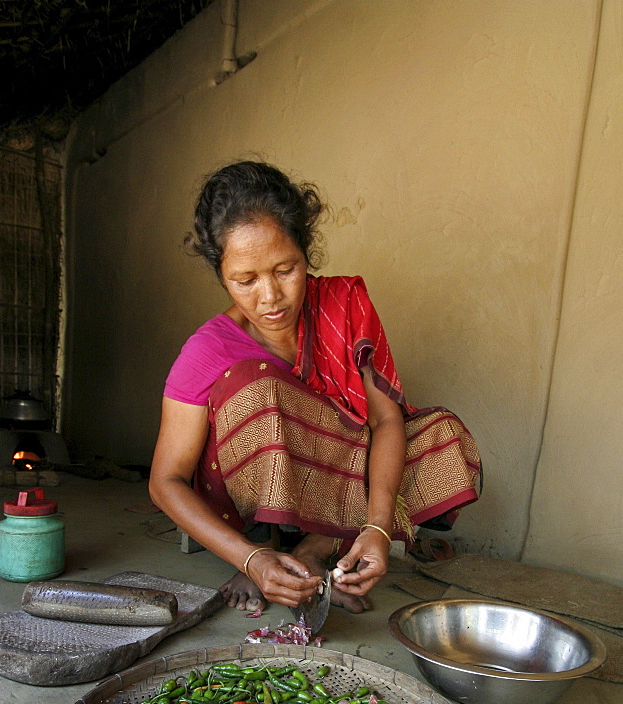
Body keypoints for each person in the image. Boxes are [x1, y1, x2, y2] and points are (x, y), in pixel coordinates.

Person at [149, 161, 480, 615]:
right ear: (221, 274)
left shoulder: (345, 305)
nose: (270, 298)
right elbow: (165, 482)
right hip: (248, 502)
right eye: (245, 281)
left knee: (441, 437)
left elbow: (386, 420)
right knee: (258, 386)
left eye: (286, 270)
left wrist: (379, 529)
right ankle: (265, 553)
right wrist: (250, 558)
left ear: (306, 253)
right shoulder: (208, 350)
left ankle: (318, 552)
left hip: (341, 473)